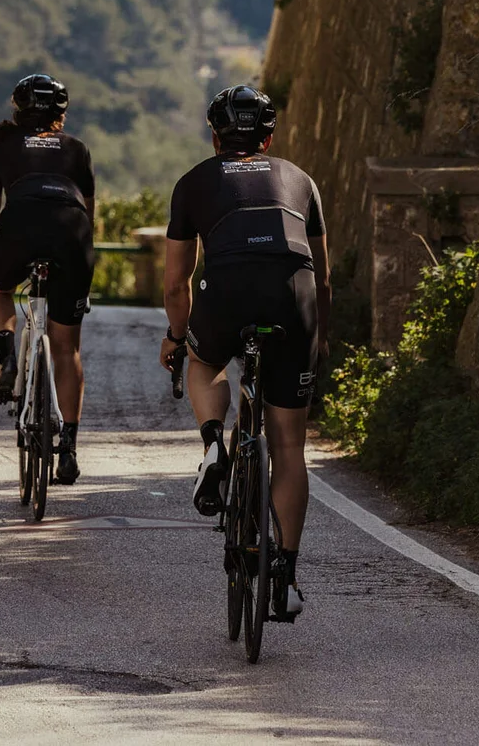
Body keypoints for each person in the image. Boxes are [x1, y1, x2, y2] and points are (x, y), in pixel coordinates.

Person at [159, 84, 329, 622]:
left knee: (206, 362)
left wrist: (176, 334)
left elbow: (174, 283)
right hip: (292, 296)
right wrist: (313, 341)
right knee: (288, 446)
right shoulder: (300, 180)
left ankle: (214, 442)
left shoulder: (193, 182)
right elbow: (324, 279)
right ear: (269, 137)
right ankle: (286, 573)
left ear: (214, 137)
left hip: (226, 291)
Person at [0, 73, 97, 484]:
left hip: (19, 228)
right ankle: (70, 449)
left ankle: (7, 354)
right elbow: (87, 215)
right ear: (61, 115)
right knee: (68, 349)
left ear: (18, 111)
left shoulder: (2, 148)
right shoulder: (77, 150)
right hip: (70, 234)